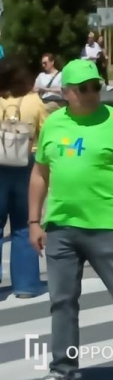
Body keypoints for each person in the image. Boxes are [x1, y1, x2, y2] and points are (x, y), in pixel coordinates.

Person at [28, 59, 113, 380]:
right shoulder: (53, 124)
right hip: (61, 225)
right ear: (66, 92)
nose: (91, 93)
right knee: (62, 302)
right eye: (83, 88)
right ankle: (62, 371)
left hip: (107, 225)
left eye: (96, 87)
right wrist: (34, 220)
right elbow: (40, 173)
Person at [0, 58, 48, 298]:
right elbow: (46, 131)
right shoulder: (34, 101)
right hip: (26, 166)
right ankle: (26, 284)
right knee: (23, 224)